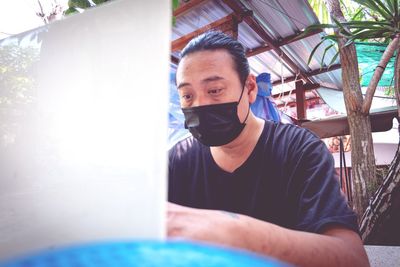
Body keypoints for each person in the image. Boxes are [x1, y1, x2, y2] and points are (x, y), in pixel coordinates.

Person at [167, 31, 369, 267]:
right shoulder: (177, 161)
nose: (200, 105)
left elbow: (352, 259)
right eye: (187, 96)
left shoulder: (300, 151)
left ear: (250, 88)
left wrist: (234, 233)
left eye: (214, 90)